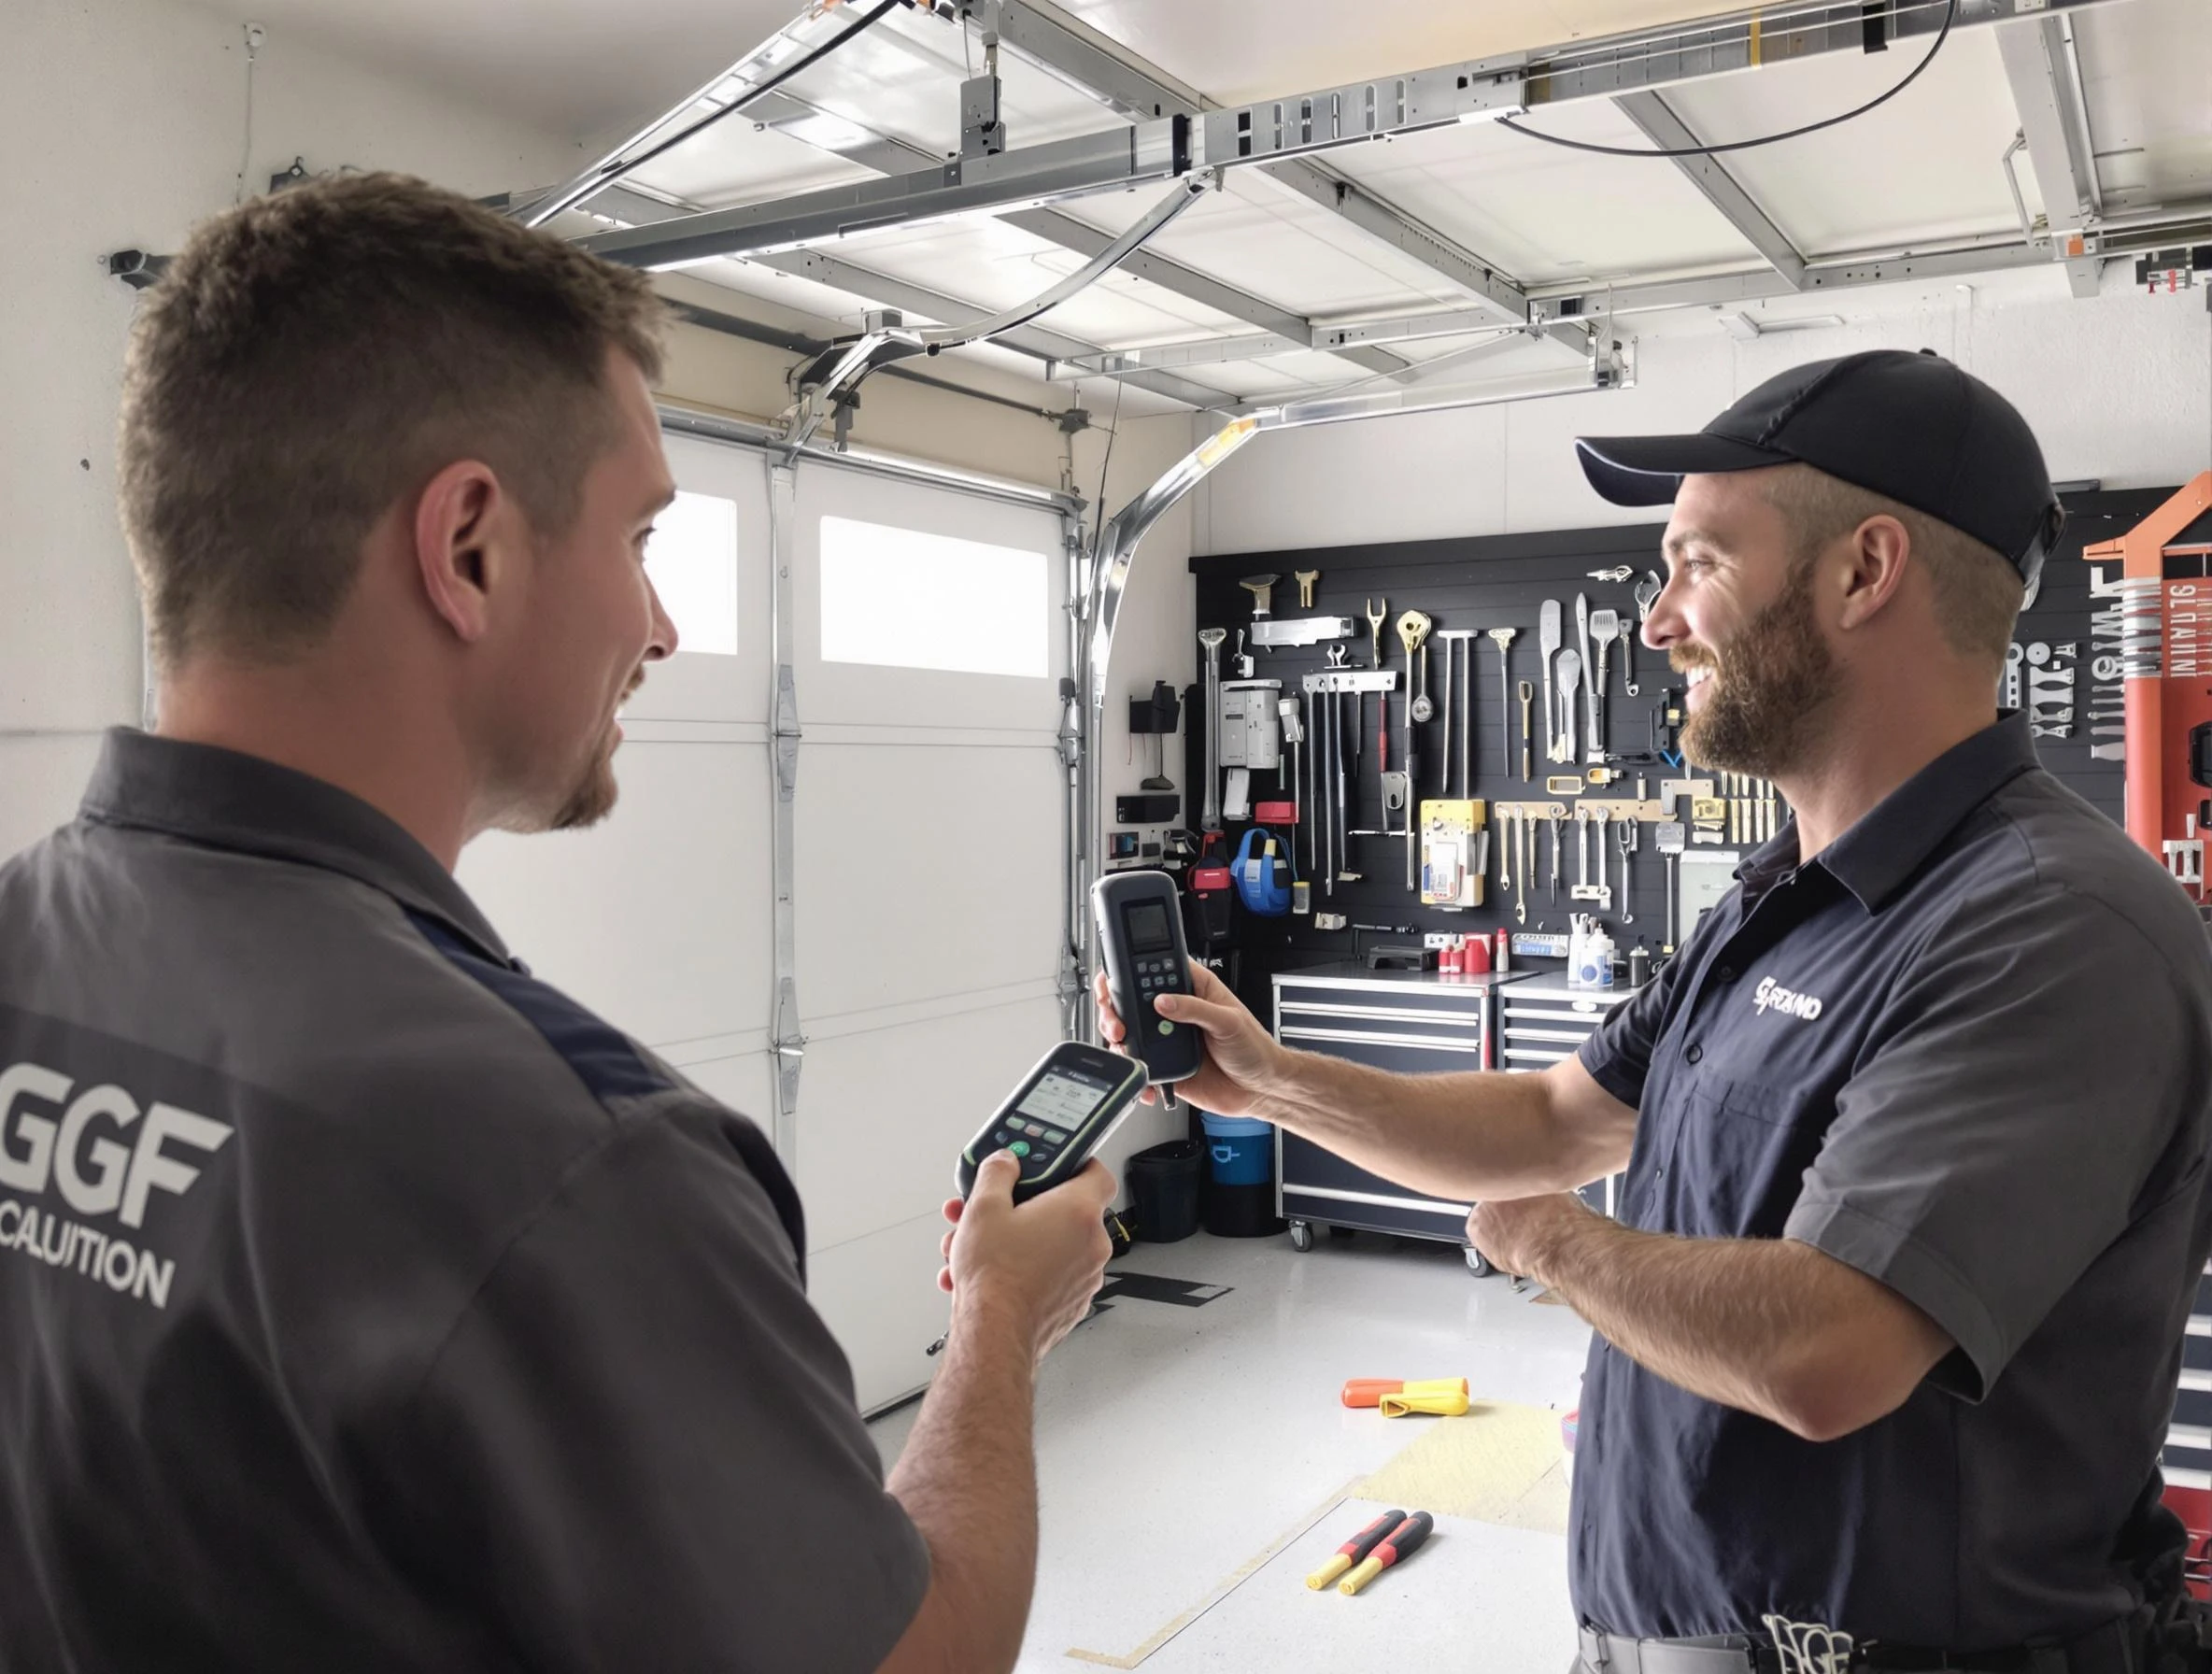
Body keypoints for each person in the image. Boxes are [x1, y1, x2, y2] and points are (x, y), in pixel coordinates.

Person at [0, 172, 1114, 1673]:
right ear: (469, 547)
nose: (661, 628)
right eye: (642, 540)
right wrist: (998, 1320)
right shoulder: (571, 1163)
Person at [1101, 350, 2212, 1671]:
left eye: (1698, 563)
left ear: (1864, 571)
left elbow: (1828, 1349)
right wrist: (1270, 1079)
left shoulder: (2048, 927)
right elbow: (1553, 1116)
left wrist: (1552, 1243)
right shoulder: (1779, 899)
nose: (1655, 622)